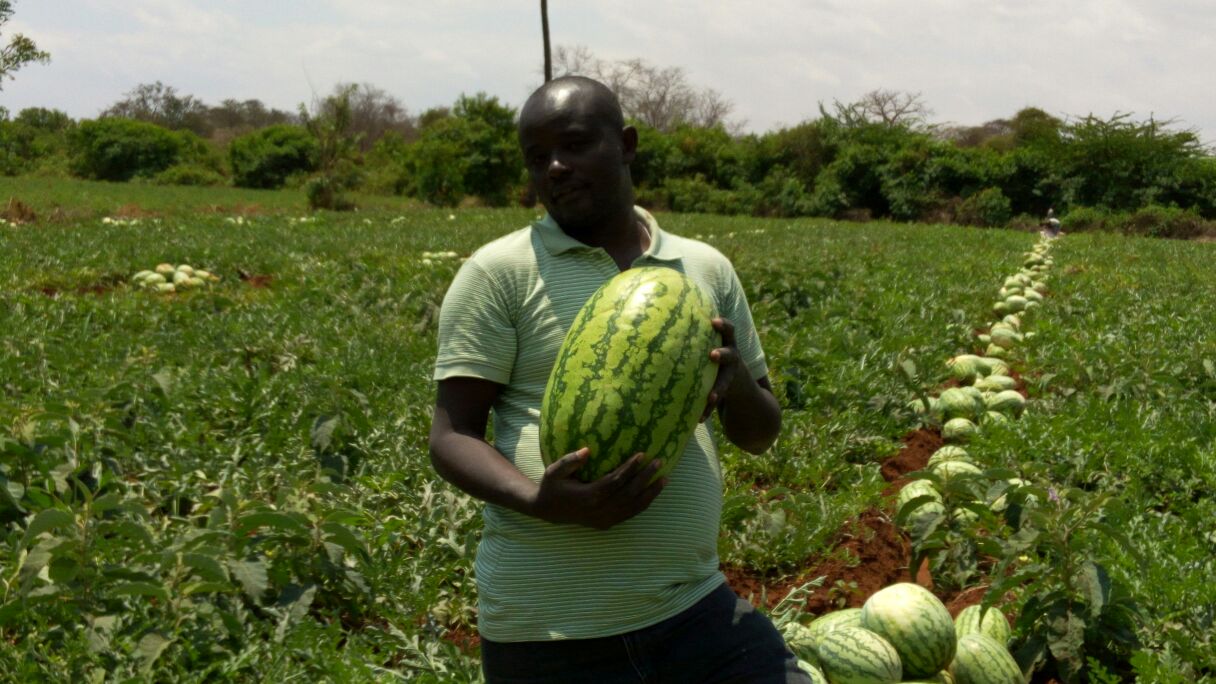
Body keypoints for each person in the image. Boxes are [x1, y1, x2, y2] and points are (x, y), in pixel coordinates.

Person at [429, 75, 807, 683]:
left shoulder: (706, 268)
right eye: (537, 157)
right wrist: (540, 501)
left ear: (626, 144)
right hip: (550, 630)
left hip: (694, 610)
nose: (555, 167)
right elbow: (451, 435)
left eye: (575, 144)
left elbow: (761, 434)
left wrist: (734, 381)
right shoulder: (497, 273)